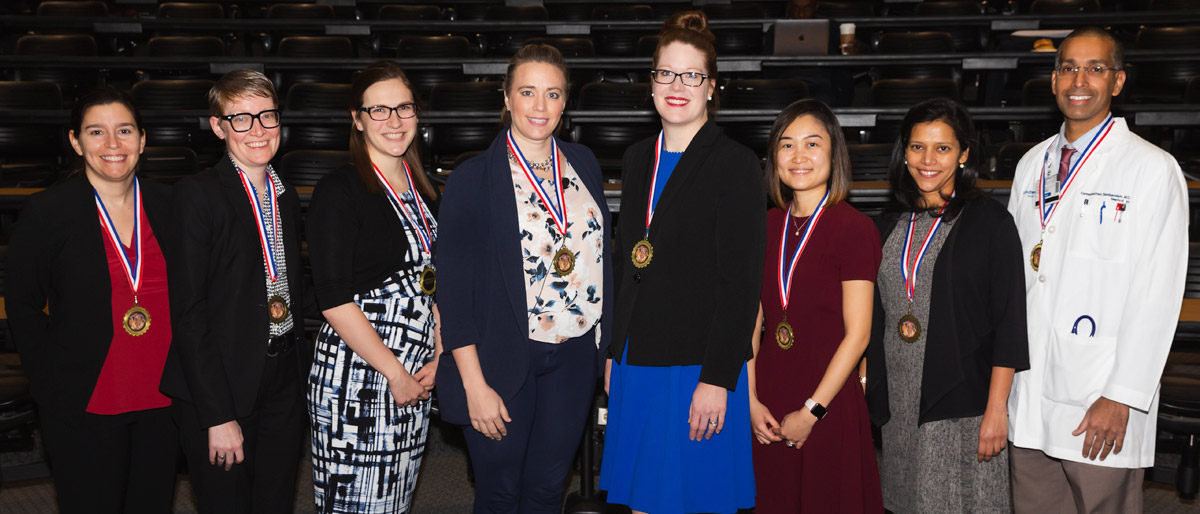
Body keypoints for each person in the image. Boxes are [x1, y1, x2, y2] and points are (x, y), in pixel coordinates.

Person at [1006, 27, 1187, 514]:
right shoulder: (1029, 165)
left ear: (1118, 81)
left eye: (1095, 68)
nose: (1079, 80)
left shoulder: (1151, 168)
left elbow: (1158, 294)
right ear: (1053, 79)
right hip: (1030, 394)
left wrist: (1122, 396)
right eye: (1068, 68)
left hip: (1098, 398)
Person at [598, 11, 764, 514]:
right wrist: (612, 350)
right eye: (666, 73)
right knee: (644, 503)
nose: (677, 86)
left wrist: (717, 379)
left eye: (692, 75)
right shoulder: (635, 158)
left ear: (711, 88)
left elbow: (741, 284)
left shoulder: (735, 164)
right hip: (636, 361)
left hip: (697, 368)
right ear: (651, 82)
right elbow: (629, 263)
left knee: (696, 502)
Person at [436, 43, 613, 514]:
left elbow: (602, 263)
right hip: (500, 358)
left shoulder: (585, 163)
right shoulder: (471, 178)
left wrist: (607, 346)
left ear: (565, 101)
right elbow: (452, 292)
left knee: (546, 489)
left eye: (552, 94)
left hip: (575, 356)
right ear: (507, 97)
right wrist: (474, 385)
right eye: (528, 92)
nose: (540, 106)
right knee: (499, 490)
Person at [7, 87, 176, 514]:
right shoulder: (47, 212)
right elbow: (23, 306)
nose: (112, 144)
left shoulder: (172, 205)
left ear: (142, 138)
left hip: (165, 397)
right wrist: (48, 384)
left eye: (124, 130)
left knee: (151, 504)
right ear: (75, 141)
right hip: (85, 398)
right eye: (96, 132)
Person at [864, 97, 1028, 514]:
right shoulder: (887, 224)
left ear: (964, 154)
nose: (928, 160)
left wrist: (997, 411)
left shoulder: (990, 223)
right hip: (900, 404)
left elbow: (1009, 323)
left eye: (942, 148)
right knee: (904, 502)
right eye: (917, 147)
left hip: (961, 401)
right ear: (904, 153)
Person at [159, 69, 309, 514]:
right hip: (221, 385)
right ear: (218, 126)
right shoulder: (197, 195)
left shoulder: (285, 196)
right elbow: (188, 312)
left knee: (275, 503)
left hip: (282, 376)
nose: (258, 130)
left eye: (267, 116)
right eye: (241, 119)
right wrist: (217, 415)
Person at [306, 60, 443, 513]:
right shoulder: (339, 190)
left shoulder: (426, 191)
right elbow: (333, 299)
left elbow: (435, 283)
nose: (394, 121)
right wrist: (395, 372)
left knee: (393, 500)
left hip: (413, 374)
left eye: (404, 107)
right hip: (359, 377)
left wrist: (440, 353)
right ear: (357, 118)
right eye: (379, 110)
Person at [747, 99, 882, 513]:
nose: (799, 156)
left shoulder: (855, 229)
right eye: (787, 145)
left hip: (828, 399)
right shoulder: (765, 225)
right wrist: (749, 401)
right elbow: (750, 323)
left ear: (833, 153)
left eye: (812, 144)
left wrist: (812, 411)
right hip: (767, 399)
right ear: (774, 158)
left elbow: (858, 334)